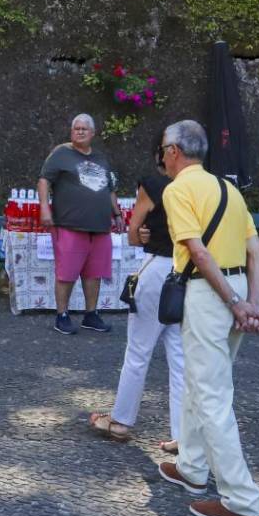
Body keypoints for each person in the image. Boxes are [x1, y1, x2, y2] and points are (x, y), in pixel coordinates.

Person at [156, 120, 259, 516]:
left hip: (211, 292)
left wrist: (235, 303)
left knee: (211, 394)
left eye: (162, 151)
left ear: (173, 152)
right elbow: (256, 250)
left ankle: (242, 499)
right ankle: (191, 465)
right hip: (236, 285)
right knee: (201, 381)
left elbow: (198, 254)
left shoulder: (177, 190)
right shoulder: (229, 189)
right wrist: (251, 303)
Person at [88, 140, 184, 453]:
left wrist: (144, 233)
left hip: (159, 266)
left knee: (138, 351)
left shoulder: (154, 185)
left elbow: (133, 233)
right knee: (180, 357)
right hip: (193, 271)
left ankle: (120, 421)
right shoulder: (207, 185)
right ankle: (184, 435)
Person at [38, 113, 121, 335]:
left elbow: (110, 189)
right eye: (76, 128)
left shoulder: (101, 158)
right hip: (69, 225)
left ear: (93, 133)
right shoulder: (61, 154)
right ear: (71, 132)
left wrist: (118, 214)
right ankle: (62, 315)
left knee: (94, 273)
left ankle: (91, 314)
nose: (80, 131)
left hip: (100, 227)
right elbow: (44, 180)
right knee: (66, 273)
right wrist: (44, 208)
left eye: (85, 129)